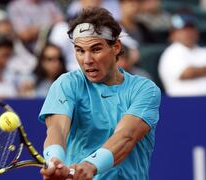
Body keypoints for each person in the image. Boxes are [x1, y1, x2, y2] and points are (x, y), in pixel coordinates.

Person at [39, 7, 161, 180]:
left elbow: (126, 136)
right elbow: (57, 128)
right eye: (80, 50)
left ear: (116, 47)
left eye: (96, 49)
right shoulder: (67, 84)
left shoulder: (145, 89)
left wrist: (91, 166)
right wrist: (54, 160)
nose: (87, 60)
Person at [158, 11, 206, 96]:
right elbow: (186, 73)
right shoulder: (171, 52)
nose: (188, 33)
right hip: (184, 103)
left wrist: (200, 72)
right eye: (184, 30)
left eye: (191, 29)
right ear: (173, 34)